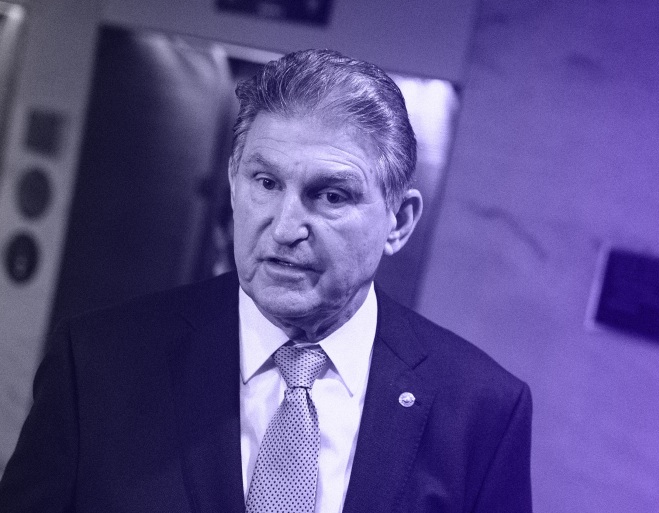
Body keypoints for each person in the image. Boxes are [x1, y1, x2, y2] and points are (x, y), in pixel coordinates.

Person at [0, 49, 532, 512]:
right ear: (233, 184)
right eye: (266, 182)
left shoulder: (480, 411)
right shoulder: (98, 364)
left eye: (331, 195)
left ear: (399, 222)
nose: (284, 228)